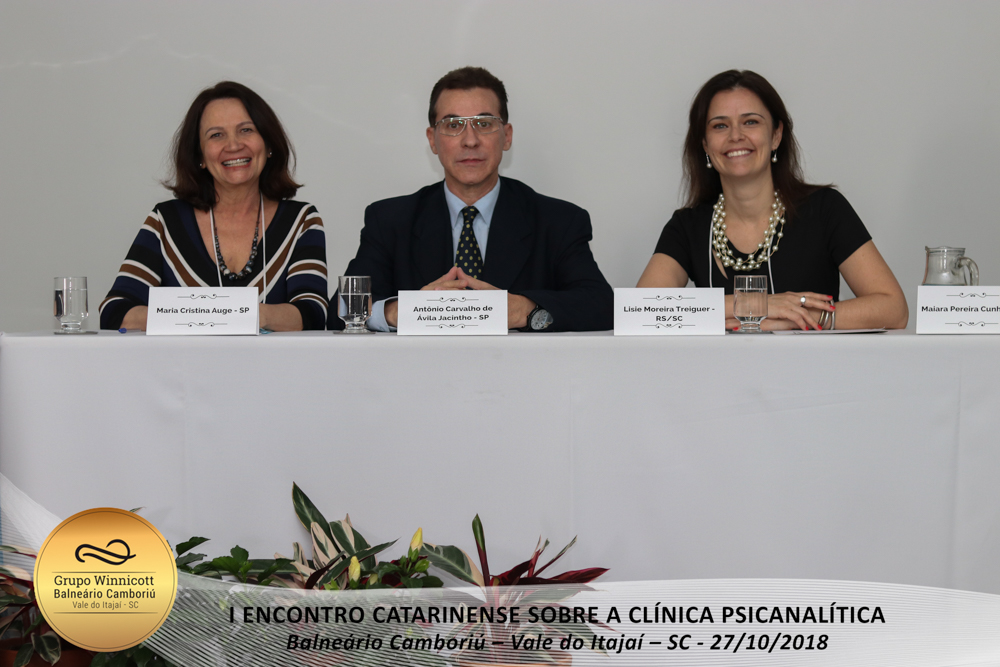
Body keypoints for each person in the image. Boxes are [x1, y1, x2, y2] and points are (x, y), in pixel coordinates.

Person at [332, 66, 612, 332]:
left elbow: (601, 305)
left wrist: (522, 310)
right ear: (433, 139)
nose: (470, 140)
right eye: (453, 125)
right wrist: (402, 311)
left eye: (484, 123)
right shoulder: (390, 220)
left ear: (506, 136)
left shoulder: (558, 221)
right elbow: (339, 311)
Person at [637, 70, 907, 331]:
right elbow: (639, 311)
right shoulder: (687, 227)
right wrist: (758, 305)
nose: (735, 136)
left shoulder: (825, 209)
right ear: (705, 145)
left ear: (776, 135)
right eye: (720, 126)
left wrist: (799, 318)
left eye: (751, 122)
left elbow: (894, 309)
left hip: (814, 364)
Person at [100, 81, 328, 331]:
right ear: (199, 155)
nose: (233, 145)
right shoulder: (166, 221)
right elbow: (114, 311)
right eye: (216, 135)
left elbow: (313, 314)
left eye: (246, 130)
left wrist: (226, 314)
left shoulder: (301, 221)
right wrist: (223, 314)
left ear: (269, 144)